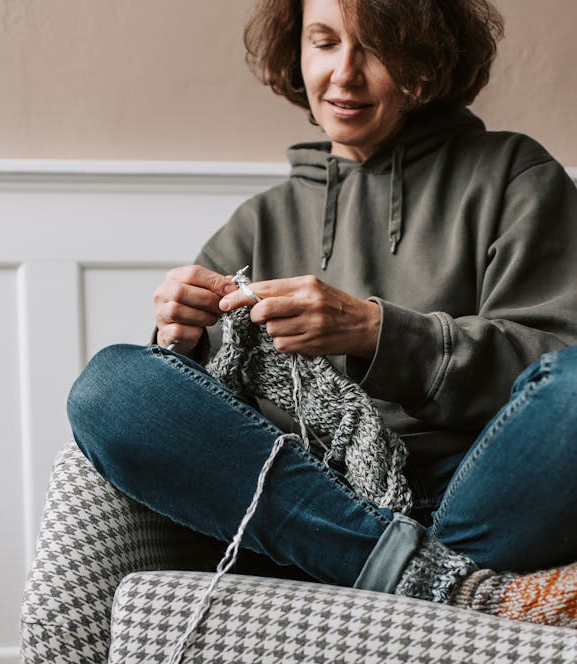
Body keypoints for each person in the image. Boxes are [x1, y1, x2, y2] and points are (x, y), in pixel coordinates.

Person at [68, 0, 577, 628]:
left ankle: (392, 572)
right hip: (314, 503)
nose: (344, 74)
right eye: (325, 42)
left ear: (427, 57)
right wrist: (184, 342)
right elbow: (206, 416)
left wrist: (375, 332)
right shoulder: (260, 221)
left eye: (377, 46)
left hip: (483, 493)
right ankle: (441, 585)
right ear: (297, 52)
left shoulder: (512, 175)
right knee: (112, 386)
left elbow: (556, 363)